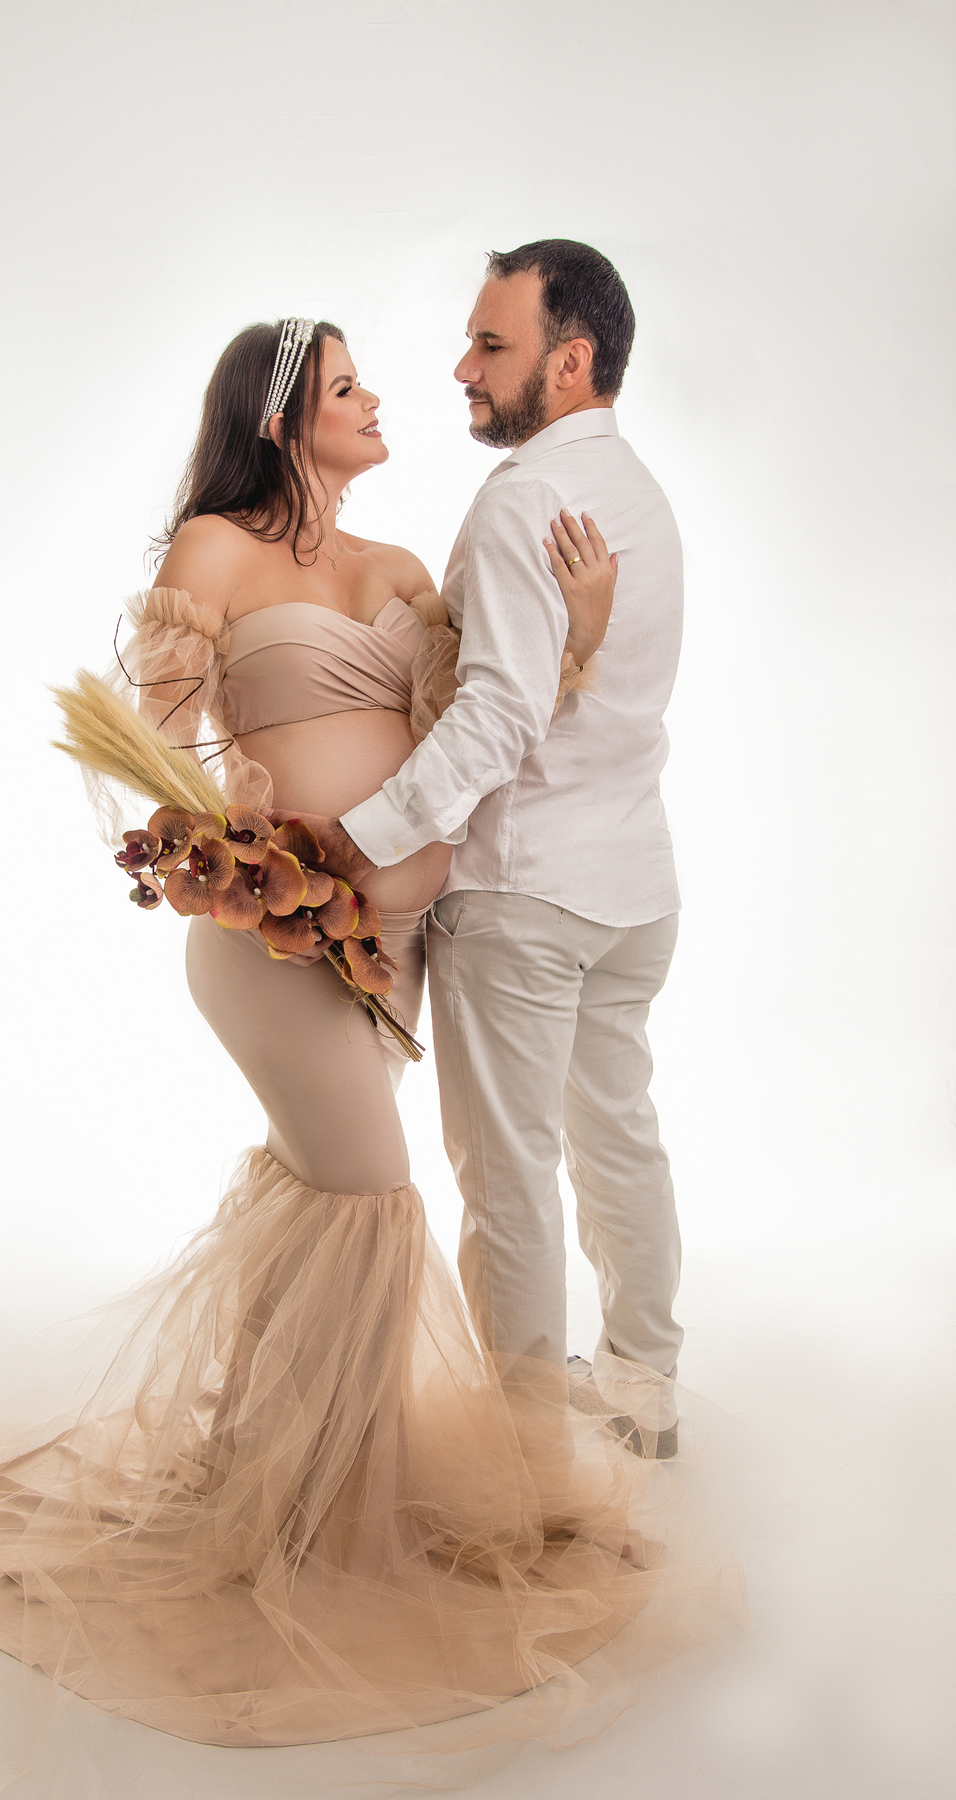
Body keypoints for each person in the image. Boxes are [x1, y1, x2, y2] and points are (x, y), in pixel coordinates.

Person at [0, 305, 737, 1786]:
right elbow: (160, 755)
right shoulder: (215, 553)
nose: (384, 402)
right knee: (374, 1195)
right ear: (280, 413)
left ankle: (283, 1481)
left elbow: (483, 730)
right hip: (277, 943)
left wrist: (579, 635)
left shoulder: (403, 568)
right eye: (350, 387)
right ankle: (323, 1526)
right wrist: (249, 849)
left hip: (393, 948)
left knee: (325, 1199)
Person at [302, 240, 687, 1458]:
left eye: (491, 345)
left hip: (525, 896)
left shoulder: (527, 498)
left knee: (509, 1177)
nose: (462, 367)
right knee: (618, 1137)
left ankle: (523, 1467)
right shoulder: (642, 492)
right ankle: (644, 1381)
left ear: (570, 362)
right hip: (633, 886)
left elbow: (501, 715)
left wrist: (360, 836)